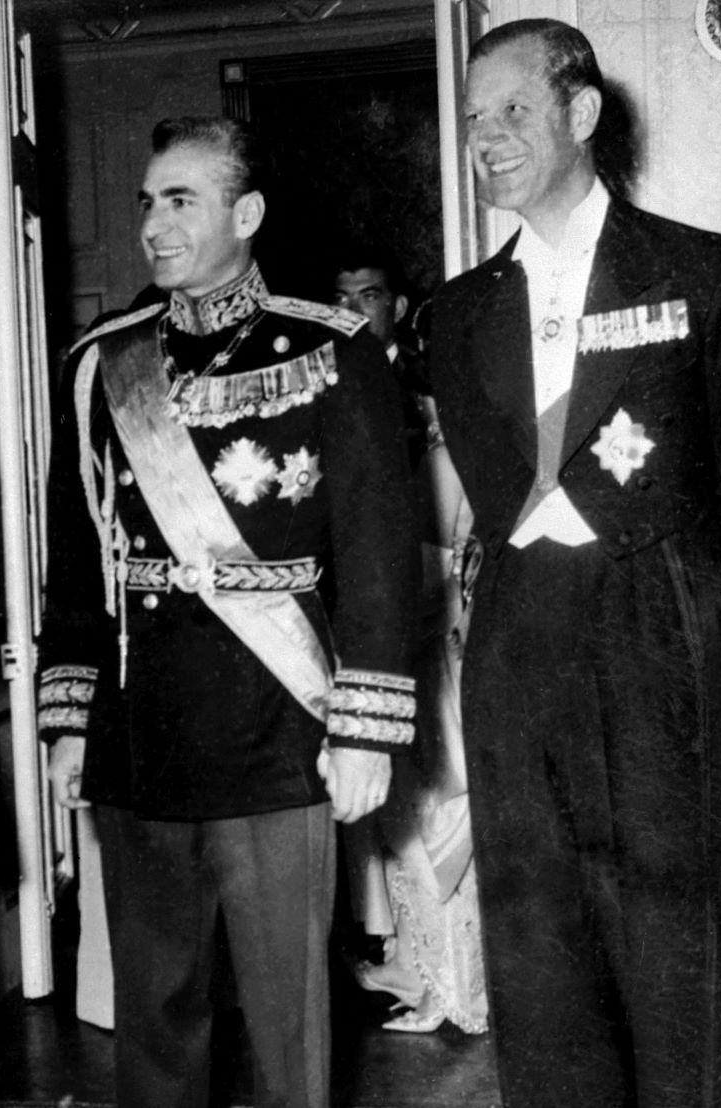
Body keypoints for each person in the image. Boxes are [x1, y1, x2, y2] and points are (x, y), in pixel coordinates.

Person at [432, 20, 721, 1107]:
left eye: (510, 110)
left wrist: (702, 614)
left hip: (654, 629)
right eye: (470, 119)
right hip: (514, 645)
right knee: (534, 949)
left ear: (580, 113)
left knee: (665, 945)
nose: (485, 137)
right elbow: (490, 490)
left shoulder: (702, 274)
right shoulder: (454, 316)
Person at [37, 116, 418, 1108]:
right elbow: (76, 561)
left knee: (288, 1021)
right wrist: (69, 716)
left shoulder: (332, 352)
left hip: (275, 731)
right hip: (137, 732)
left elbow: (378, 558)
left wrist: (364, 730)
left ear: (243, 213)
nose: (154, 224)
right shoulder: (98, 365)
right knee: (154, 1022)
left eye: (181, 200)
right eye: (147, 202)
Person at [331, 247, 489, 1035]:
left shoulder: (439, 462)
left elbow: (429, 578)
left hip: (432, 657)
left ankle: (447, 989)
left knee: (431, 825)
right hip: (439, 653)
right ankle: (430, 976)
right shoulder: (453, 453)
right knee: (421, 826)